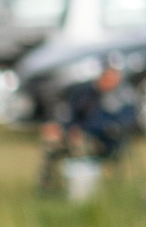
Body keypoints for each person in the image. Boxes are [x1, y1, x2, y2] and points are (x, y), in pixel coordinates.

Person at [38, 54, 140, 196]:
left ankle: (82, 193)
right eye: (105, 73)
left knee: (79, 144)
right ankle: (49, 190)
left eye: (113, 74)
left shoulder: (123, 97)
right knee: (52, 143)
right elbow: (72, 117)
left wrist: (83, 132)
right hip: (77, 136)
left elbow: (119, 125)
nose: (108, 78)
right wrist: (61, 128)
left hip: (104, 143)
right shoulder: (84, 93)